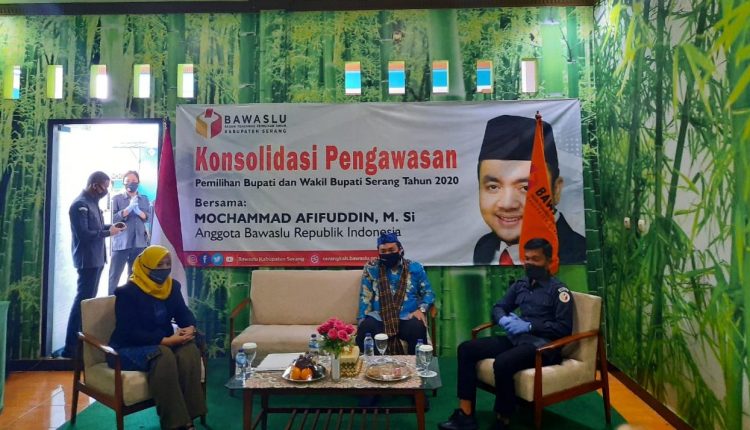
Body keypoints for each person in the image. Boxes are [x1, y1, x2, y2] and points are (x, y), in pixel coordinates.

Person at [440, 238, 574, 430]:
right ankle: (465, 415)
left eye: (535, 259)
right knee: (466, 349)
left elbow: (563, 328)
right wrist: (502, 319)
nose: (529, 263)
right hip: (517, 339)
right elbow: (499, 306)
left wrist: (530, 326)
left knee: (503, 362)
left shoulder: (559, 291)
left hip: (542, 347)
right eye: (527, 258)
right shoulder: (521, 284)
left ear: (549, 261)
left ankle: (503, 419)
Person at [108, 245, 206, 430]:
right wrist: (164, 341)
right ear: (145, 265)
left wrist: (190, 327)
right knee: (163, 355)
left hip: (164, 342)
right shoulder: (127, 292)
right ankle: (176, 424)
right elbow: (128, 331)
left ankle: (190, 415)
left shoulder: (172, 287)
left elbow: (183, 313)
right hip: (129, 347)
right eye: (159, 264)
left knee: (189, 351)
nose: (164, 268)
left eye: (167, 264)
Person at [473, 114, 586, 265]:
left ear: (556, 190)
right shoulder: (484, 247)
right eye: (493, 187)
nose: (507, 204)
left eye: (526, 188)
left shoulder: (578, 253)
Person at [55, 171, 123, 358]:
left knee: (86, 303)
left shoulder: (92, 203)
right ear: (95, 185)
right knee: (82, 303)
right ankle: (70, 348)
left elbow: (96, 228)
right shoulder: (80, 204)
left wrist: (112, 227)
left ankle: (79, 345)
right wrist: (109, 233)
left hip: (96, 259)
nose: (106, 191)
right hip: (87, 261)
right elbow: (84, 234)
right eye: (104, 187)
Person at [355, 232, 435, 355]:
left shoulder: (415, 267)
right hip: (380, 318)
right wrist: (361, 321)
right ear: (378, 252)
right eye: (383, 251)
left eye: (391, 250)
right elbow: (365, 296)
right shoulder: (371, 268)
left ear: (400, 249)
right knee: (365, 328)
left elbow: (428, 293)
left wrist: (421, 310)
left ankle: (415, 366)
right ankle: (375, 366)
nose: (387, 253)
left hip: (407, 317)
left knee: (417, 328)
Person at [108, 170, 151, 295]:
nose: (131, 183)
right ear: (123, 182)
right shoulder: (117, 198)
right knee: (114, 275)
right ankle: (111, 301)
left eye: (134, 181)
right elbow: (113, 219)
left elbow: (148, 217)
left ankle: (129, 300)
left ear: (138, 182)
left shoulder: (144, 199)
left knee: (134, 276)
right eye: (128, 181)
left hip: (139, 243)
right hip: (121, 242)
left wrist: (139, 212)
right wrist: (127, 210)